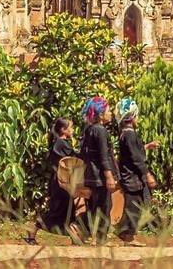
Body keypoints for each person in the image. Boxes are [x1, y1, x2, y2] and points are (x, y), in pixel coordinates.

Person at [25, 117, 82, 245]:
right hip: (61, 183)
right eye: (71, 127)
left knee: (67, 210)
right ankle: (33, 229)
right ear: (63, 130)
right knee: (59, 211)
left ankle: (73, 237)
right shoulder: (61, 144)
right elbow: (73, 157)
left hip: (63, 181)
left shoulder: (61, 143)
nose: (73, 130)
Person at [116, 97, 158, 247]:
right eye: (137, 116)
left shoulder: (126, 134)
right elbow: (135, 158)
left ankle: (127, 234)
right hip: (132, 177)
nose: (138, 119)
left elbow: (133, 152)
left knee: (137, 205)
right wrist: (147, 174)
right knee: (133, 206)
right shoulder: (129, 134)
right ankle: (126, 234)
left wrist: (147, 146)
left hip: (131, 177)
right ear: (132, 116)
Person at [79, 96, 119, 245]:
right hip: (100, 177)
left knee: (93, 207)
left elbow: (84, 153)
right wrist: (109, 176)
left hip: (90, 176)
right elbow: (104, 155)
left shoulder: (89, 129)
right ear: (101, 114)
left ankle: (90, 235)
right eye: (108, 110)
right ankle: (101, 239)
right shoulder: (101, 131)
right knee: (104, 207)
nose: (111, 113)